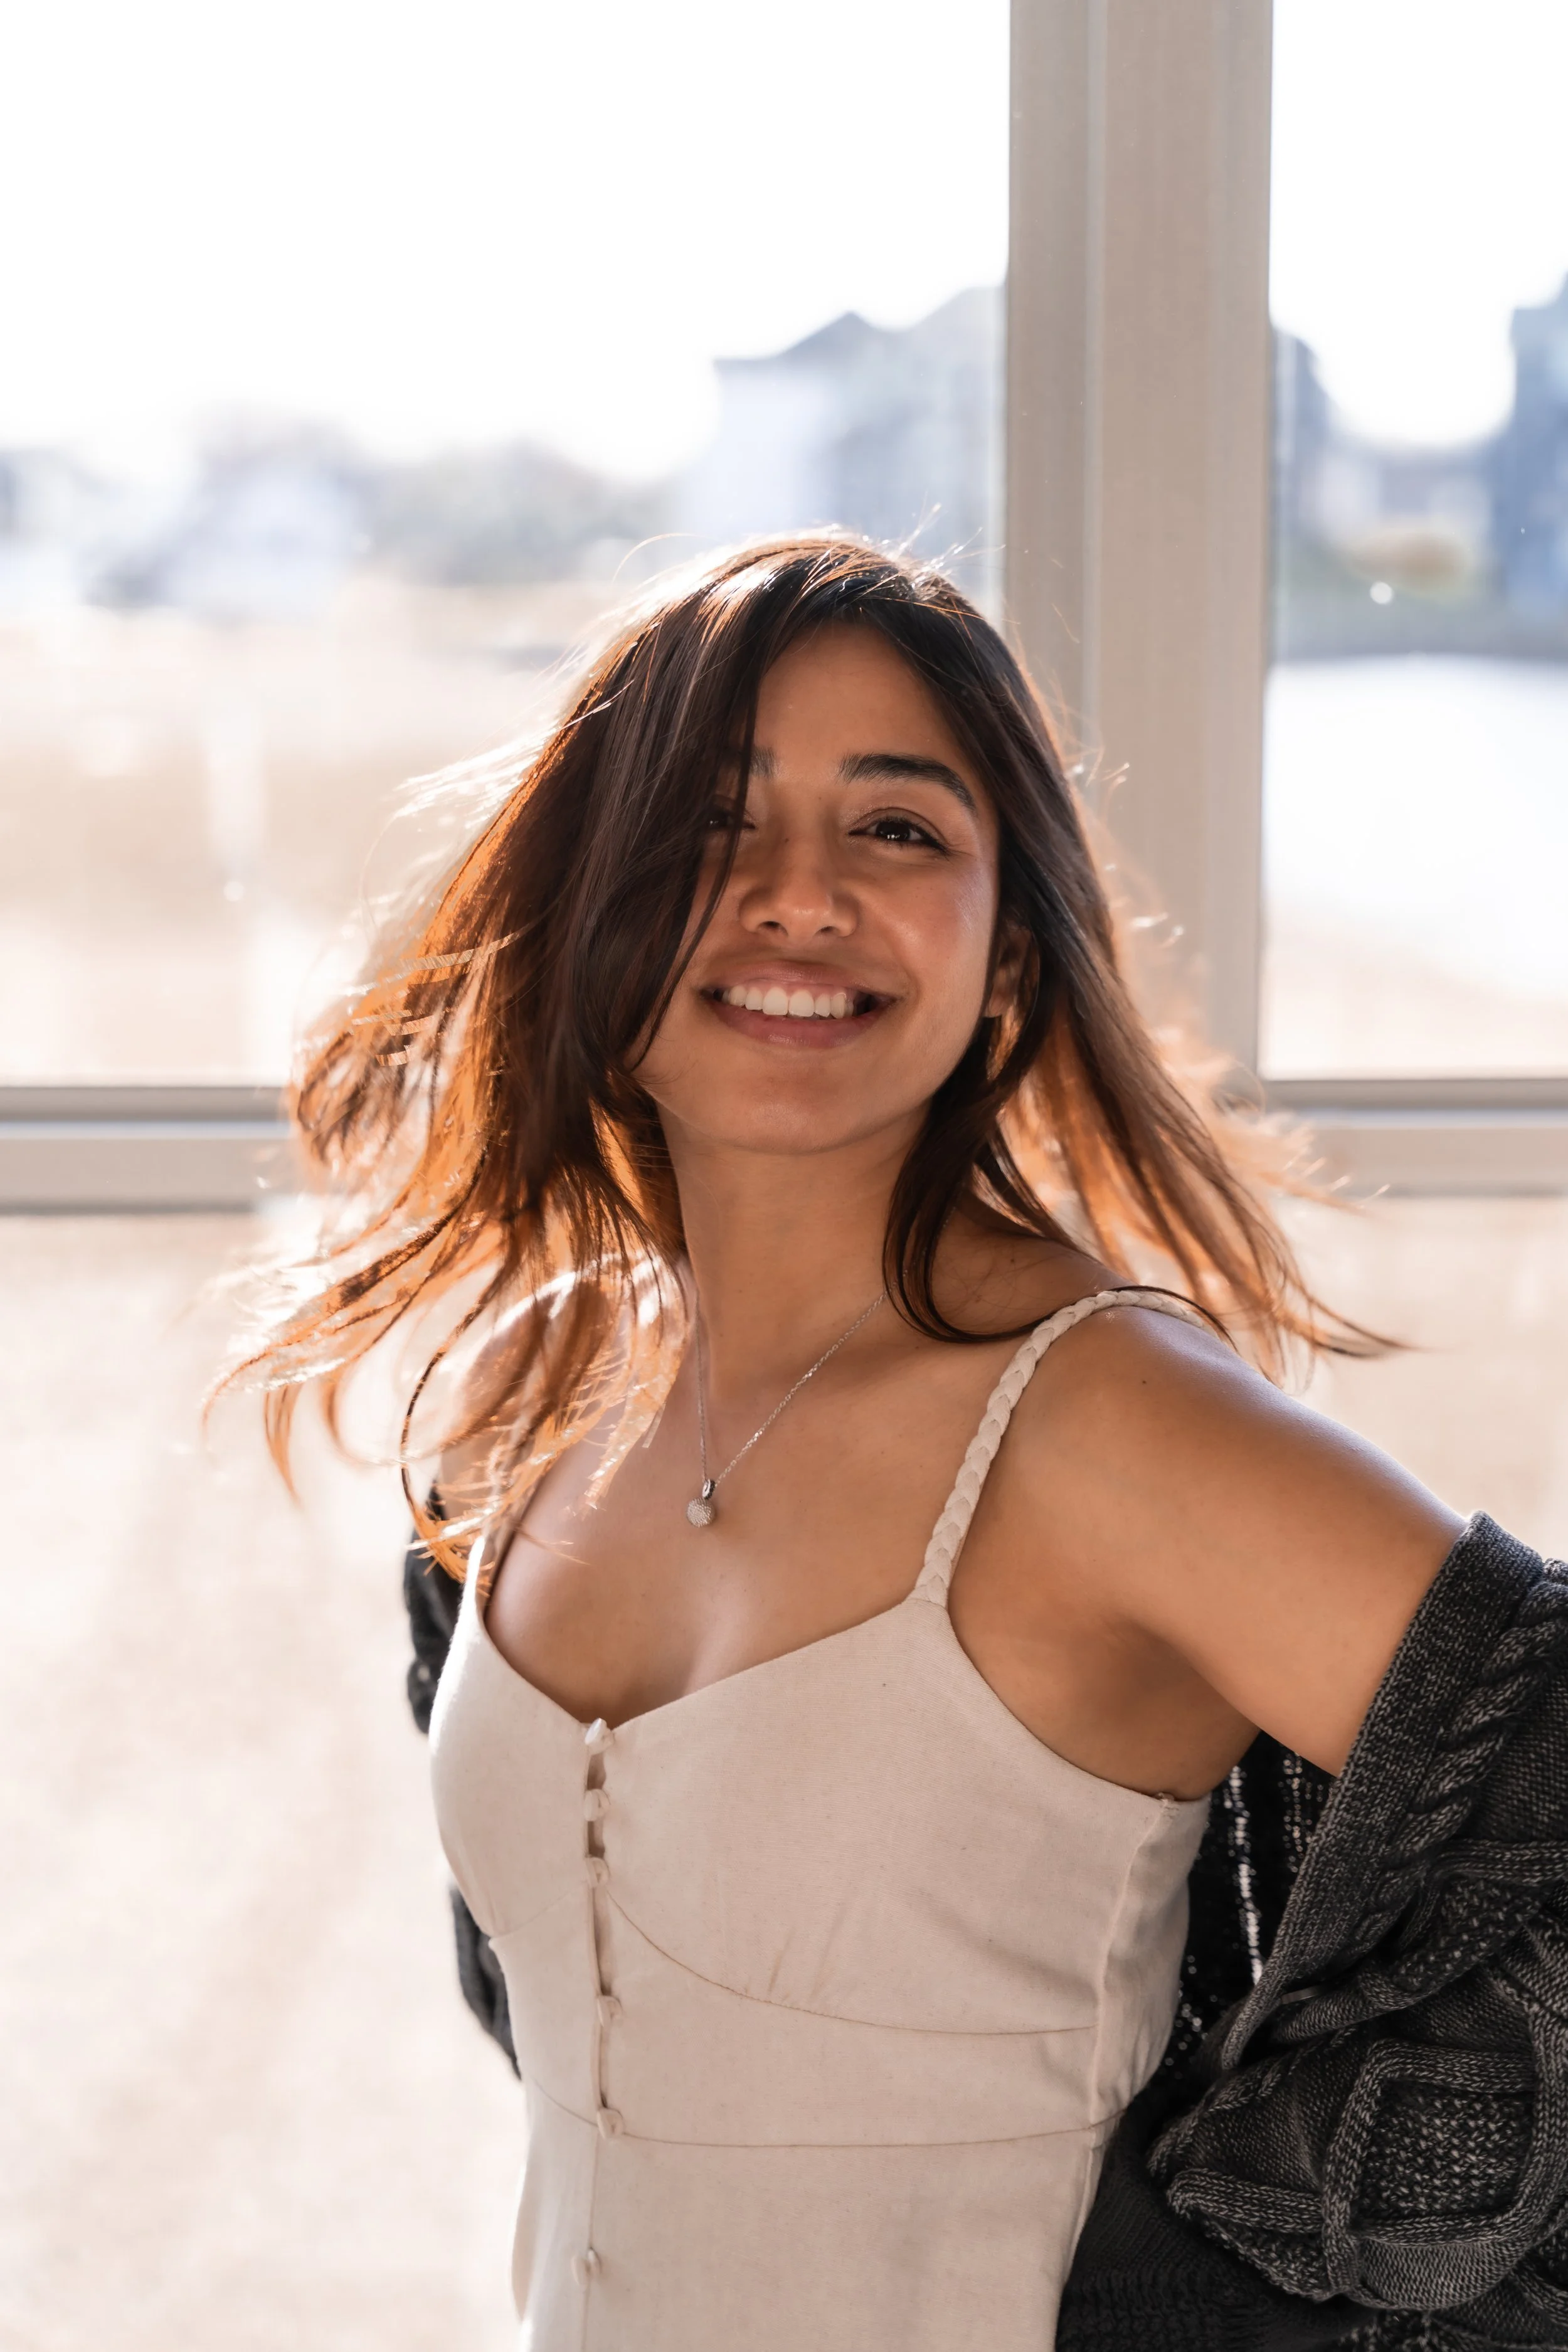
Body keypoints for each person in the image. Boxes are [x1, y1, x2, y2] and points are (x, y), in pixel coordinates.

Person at [241, 537, 1568, 2350]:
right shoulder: (529, 1394)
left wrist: (1250, 2244)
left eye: (896, 829)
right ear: (591, 907)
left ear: (1006, 949)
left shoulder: (1108, 1425)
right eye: (710, 822)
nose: (798, 895)